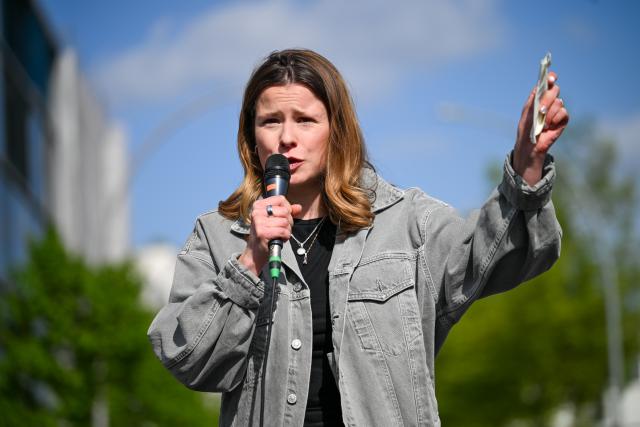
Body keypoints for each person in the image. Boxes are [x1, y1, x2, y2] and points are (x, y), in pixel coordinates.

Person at [148, 48, 569, 426]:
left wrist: (526, 167)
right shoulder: (219, 235)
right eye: (271, 121)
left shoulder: (406, 222)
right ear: (250, 137)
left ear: (337, 131)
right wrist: (248, 265)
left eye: (306, 120)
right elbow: (186, 358)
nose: (286, 138)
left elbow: (495, 254)